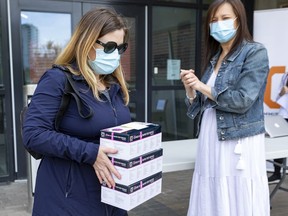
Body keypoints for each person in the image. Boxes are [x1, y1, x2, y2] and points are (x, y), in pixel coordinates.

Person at [22, 7, 130, 216]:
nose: (115, 54)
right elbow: (33, 135)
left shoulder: (113, 86)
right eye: (109, 47)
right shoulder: (58, 79)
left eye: (120, 48)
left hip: (111, 197)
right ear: (87, 42)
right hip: (68, 199)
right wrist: (91, 153)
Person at [180, 0, 270, 215]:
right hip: (211, 137)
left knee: (237, 196)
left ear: (239, 20)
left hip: (238, 140)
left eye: (225, 18)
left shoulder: (255, 52)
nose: (218, 24)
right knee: (212, 196)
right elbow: (203, 105)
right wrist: (191, 90)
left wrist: (202, 86)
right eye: (214, 20)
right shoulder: (215, 58)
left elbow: (242, 100)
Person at [268, 72, 288, 184]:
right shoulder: (285, 76)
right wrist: (282, 92)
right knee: (279, 142)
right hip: (284, 114)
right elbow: (278, 96)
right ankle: (277, 173)